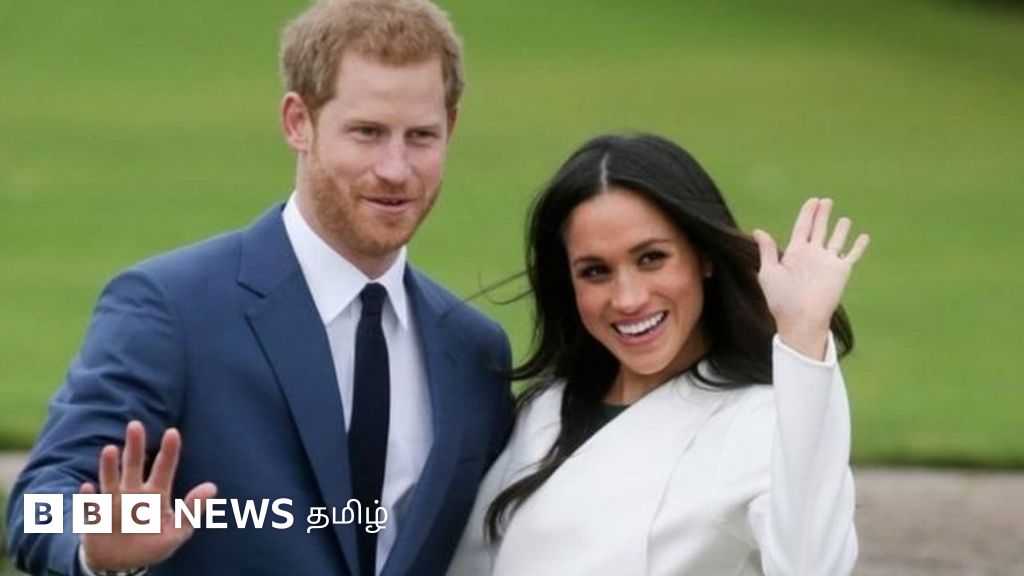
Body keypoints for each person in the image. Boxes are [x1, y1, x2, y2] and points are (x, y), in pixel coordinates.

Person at [6, 1, 513, 575]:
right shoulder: (171, 309)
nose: (396, 168)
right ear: (298, 122)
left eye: (421, 136)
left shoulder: (474, 351)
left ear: (452, 127)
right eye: (367, 133)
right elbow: (38, 505)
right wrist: (98, 541)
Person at [447, 133, 868, 576]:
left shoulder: (758, 421)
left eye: (651, 258)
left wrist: (803, 336)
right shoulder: (545, 409)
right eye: (595, 271)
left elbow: (813, 564)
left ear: (703, 256)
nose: (628, 298)